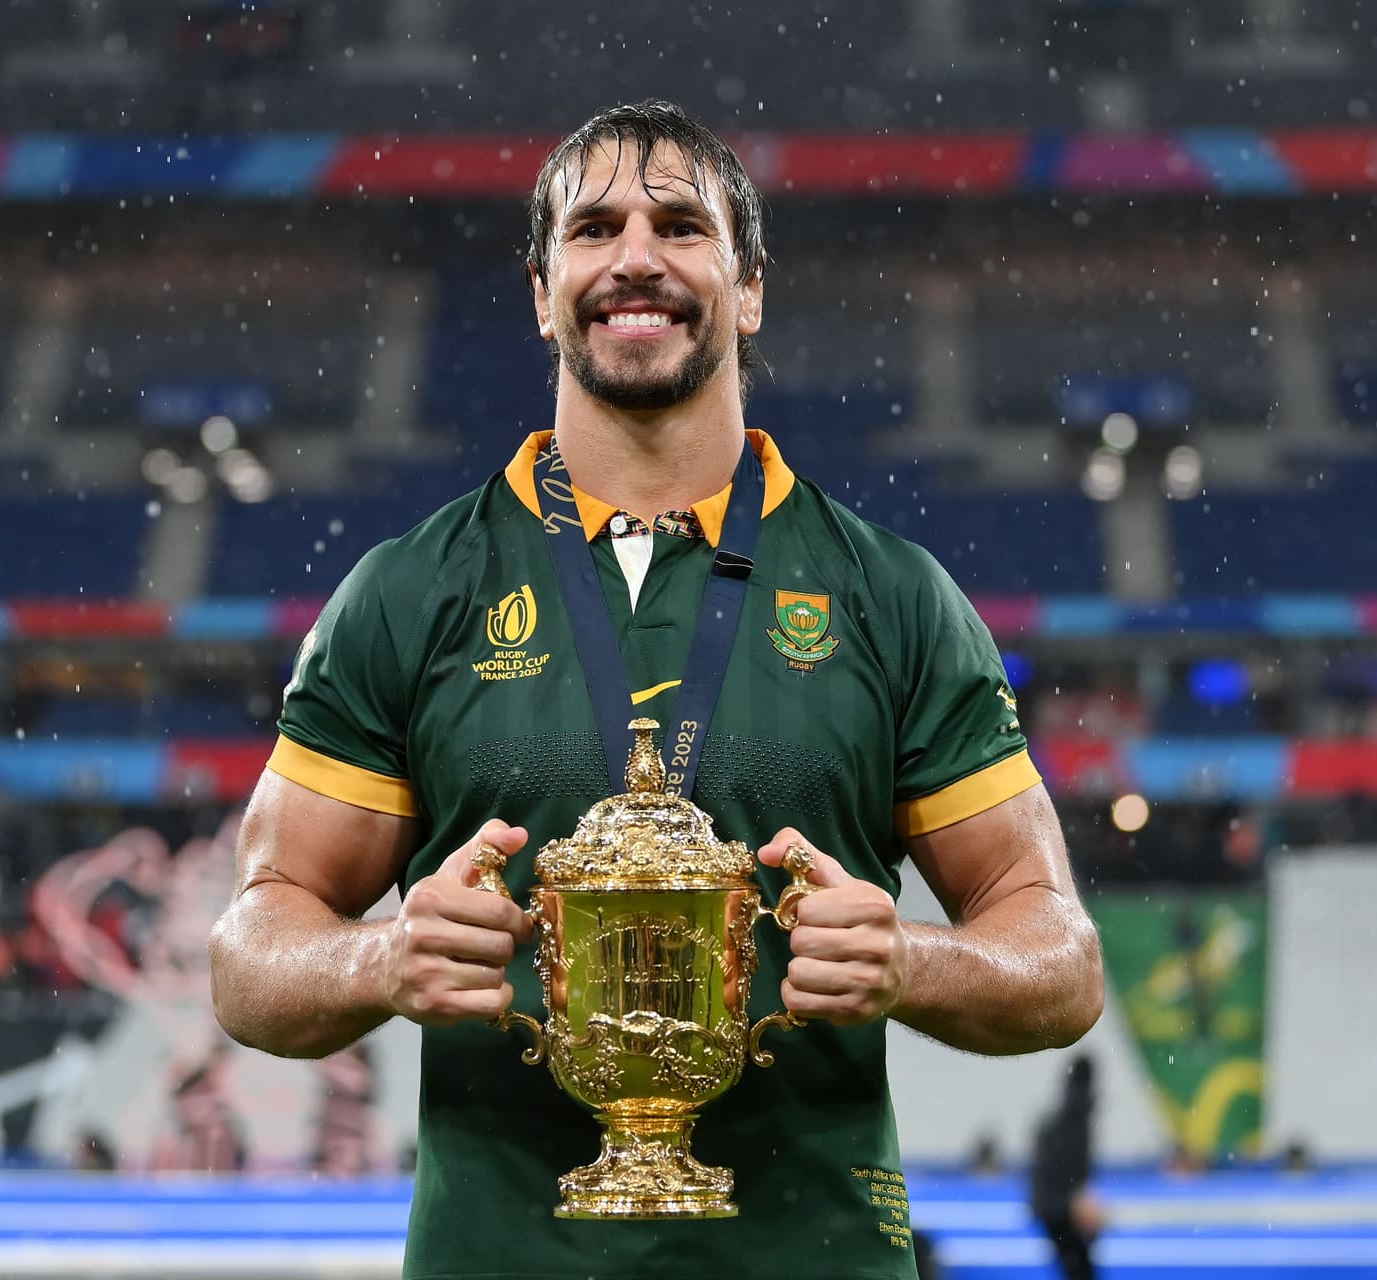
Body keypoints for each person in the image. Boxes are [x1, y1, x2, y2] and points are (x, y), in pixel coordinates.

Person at [209, 99, 1104, 1279]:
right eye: (596, 229)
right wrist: (377, 958)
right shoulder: (408, 593)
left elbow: (1062, 957)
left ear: (748, 288)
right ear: (543, 287)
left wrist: (913, 960)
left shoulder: (891, 595)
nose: (638, 256)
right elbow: (249, 953)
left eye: (683, 225)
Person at [1029, 1054, 1102, 1280]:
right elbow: (1072, 1163)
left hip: (1050, 1203)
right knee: (1080, 1269)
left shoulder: (1061, 1115)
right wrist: (1075, 1198)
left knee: (1076, 1266)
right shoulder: (1077, 1116)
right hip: (1060, 1205)